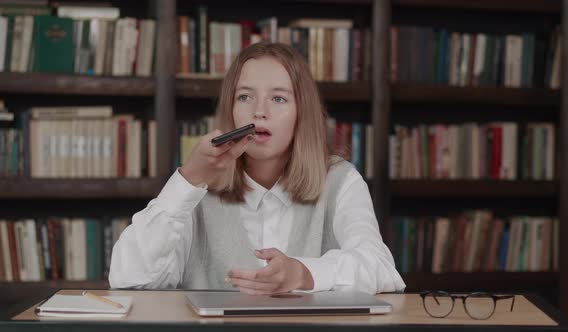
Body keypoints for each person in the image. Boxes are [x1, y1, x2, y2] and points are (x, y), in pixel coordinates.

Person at [108, 42, 406, 295]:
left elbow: (382, 270)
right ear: (231, 111)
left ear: (302, 113)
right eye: (245, 97)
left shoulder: (341, 181)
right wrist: (189, 179)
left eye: (278, 98)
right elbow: (128, 279)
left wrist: (303, 274)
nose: (259, 111)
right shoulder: (195, 189)